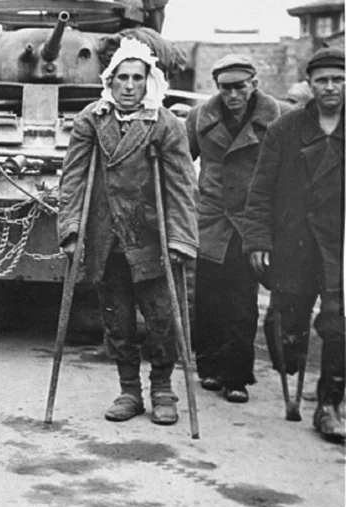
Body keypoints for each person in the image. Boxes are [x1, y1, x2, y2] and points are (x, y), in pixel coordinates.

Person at [57, 38, 197, 426]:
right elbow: (73, 179)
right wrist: (70, 229)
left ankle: (163, 389)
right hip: (106, 235)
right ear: (111, 80)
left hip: (151, 237)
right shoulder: (92, 118)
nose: (130, 85)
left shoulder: (164, 123)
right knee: (117, 321)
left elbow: (182, 185)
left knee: (161, 318)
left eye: (138, 78)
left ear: (148, 81)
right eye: (122, 78)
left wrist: (182, 237)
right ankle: (129, 391)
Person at [242, 48, 345, 441]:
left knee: (339, 323)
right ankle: (290, 356)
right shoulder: (285, 130)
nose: (331, 87)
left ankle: (329, 406)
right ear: (310, 85)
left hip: (340, 246)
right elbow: (261, 187)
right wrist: (256, 239)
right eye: (322, 80)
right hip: (293, 242)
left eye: (338, 79)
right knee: (288, 327)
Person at [185, 54, 291, 404]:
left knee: (242, 301)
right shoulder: (200, 116)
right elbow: (182, 159)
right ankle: (210, 368)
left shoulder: (276, 118)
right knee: (208, 298)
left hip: (250, 220)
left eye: (239, 87)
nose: (232, 95)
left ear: (254, 85)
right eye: (225, 88)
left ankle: (236, 376)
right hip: (212, 219)